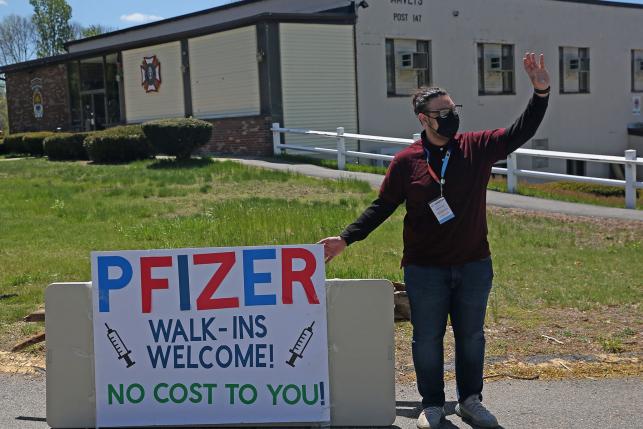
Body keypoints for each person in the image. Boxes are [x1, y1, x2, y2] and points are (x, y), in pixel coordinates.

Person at [318, 52, 550, 429]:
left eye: (453, 108)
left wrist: (540, 92)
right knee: (427, 339)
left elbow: (520, 131)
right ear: (424, 119)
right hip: (424, 269)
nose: (452, 115)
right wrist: (346, 239)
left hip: (474, 263)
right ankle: (432, 405)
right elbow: (383, 206)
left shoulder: (477, 147)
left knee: (472, 337)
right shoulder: (406, 161)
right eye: (443, 112)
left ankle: (471, 402)